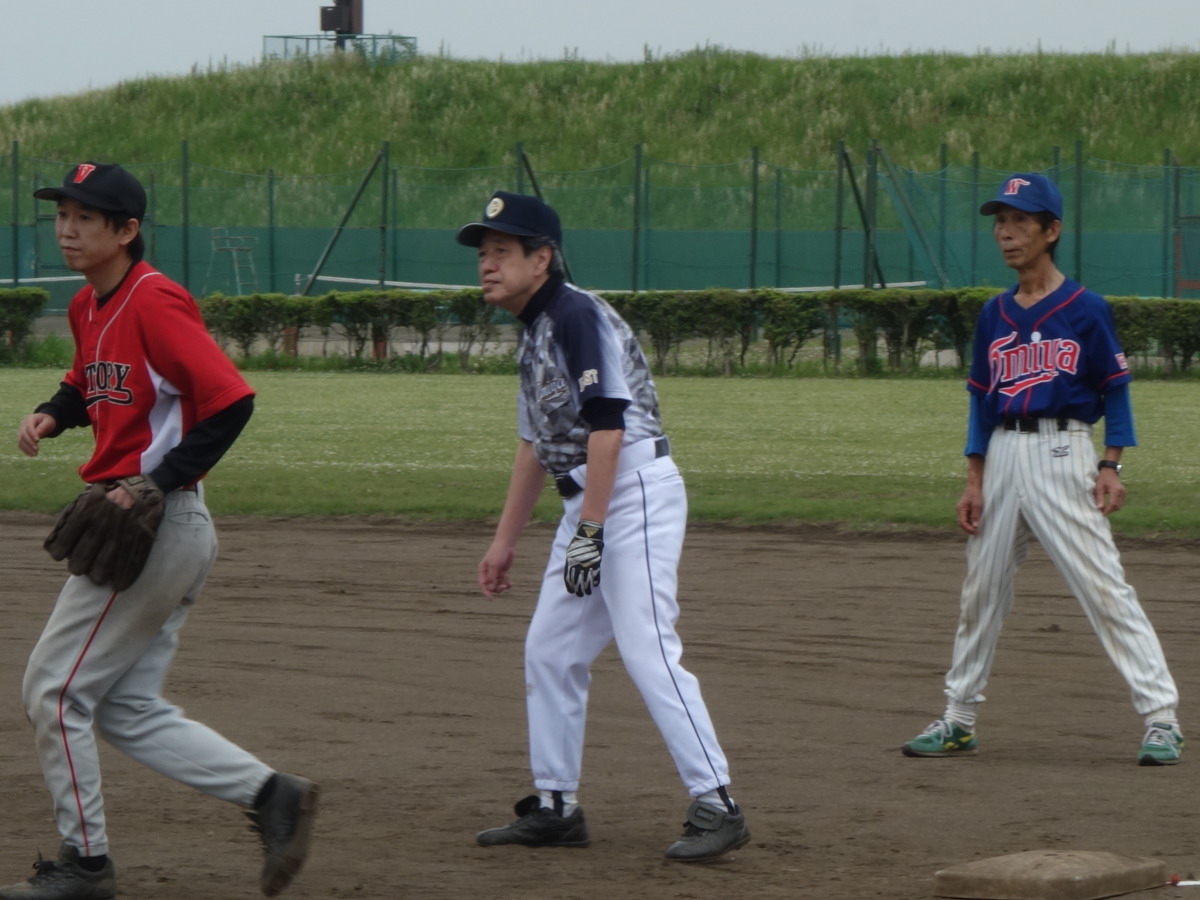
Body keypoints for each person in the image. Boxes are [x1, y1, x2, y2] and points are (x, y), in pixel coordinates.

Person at [10, 162, 318, 900]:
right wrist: (54, 412)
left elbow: (231, 401)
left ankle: (86, 865)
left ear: (127, 230)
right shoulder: (89, 304)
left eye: (85, 217)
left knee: (52, 690)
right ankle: (272, 793)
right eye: (62, 215)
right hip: (159, 527)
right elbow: (90, 381)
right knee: (125, 707)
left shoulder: (155, 299)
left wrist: (158, 481)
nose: (67, 229)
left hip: (153, 523)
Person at [459, 191, 751, 861]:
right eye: (483, 253)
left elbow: (609, 428)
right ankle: (556, 805)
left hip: (633, 495)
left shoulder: (575, 315)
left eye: (502, 251)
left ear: (542, 258)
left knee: (647, 646)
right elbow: (533, 447)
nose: (487, 264)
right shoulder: (536, 329)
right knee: (550, 650)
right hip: (591, 499)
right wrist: (504, 542)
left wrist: (590, 534)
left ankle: (718, 802)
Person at [902, 172, 1183, 766]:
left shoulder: (1086, 309)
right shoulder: (993, 314)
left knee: (1104, 588)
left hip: (1065, 451)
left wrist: (1111, 463)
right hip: (1003, 454)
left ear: (1051, 231)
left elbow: (1115, 390)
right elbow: (981, 402)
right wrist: (974, 479)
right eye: (1001, 222)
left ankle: (1161, 720)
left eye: (1020, 222)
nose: (1005, 233)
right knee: (981, 591)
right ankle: (958, 719)